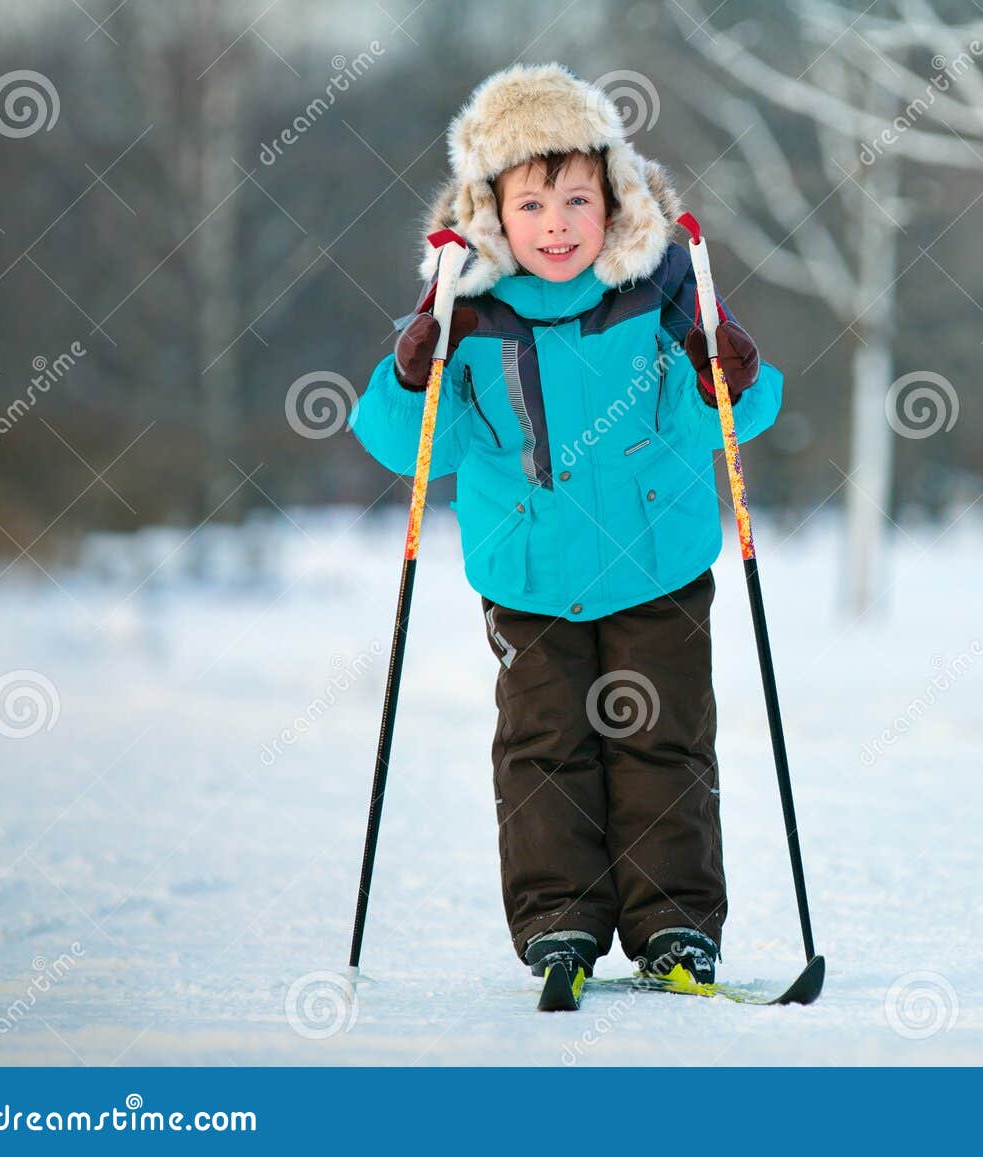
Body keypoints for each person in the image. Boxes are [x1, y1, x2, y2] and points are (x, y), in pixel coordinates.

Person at [348, 63, 783, 987]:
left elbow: (733, 425)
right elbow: (410, 448)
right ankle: (560, 923)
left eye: (577, 199)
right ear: (492, 211)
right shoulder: (465, 310)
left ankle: (676, 927)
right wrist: (412, 369)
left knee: (663, 743)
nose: (556, 223)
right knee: (545, 751)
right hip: (531, 574)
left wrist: (729, 374)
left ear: (614, 200)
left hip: (657, 566)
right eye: (532, 202)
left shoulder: (665, 285)